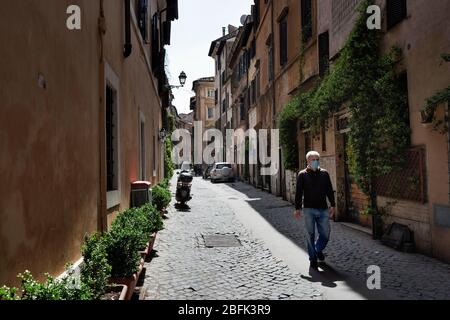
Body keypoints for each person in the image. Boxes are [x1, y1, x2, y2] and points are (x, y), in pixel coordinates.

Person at [294, 151, 336, 270]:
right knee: (310, 234)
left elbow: (329, 189)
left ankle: (317, 249)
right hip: (308, 209)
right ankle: (313, 259)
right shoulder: (302, 175)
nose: (315, 161)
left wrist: (333, 205)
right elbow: (298, 192)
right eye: (313, 160)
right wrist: (297, 208)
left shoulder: (324, 173)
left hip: (323, 209)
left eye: (317, 159)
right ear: (308, 161)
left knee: (325, 234)